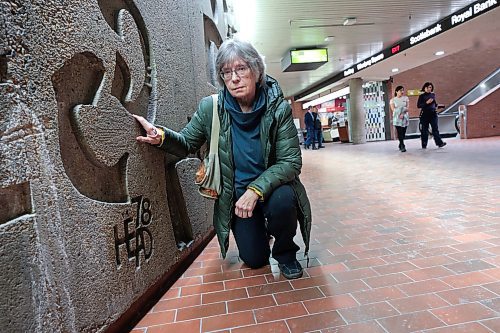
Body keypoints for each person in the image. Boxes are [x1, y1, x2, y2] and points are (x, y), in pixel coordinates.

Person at [133, 39, 312, 279]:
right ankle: (260, 230)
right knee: (255, 260)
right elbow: (187, 143)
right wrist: (160, 136)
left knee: (283, 201)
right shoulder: (212, 108)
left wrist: (255, 190)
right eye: (227, 72)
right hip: (237, 198)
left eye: (241, 69)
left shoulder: (278, 108)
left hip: (271, 190)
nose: (234, 78)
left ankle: (286, 253)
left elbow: (291, 162)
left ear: (256, 71)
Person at [417, 82, 446, 149]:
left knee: (435, 128)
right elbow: (419, 105)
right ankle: (424, 144)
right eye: (427, 87)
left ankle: (439, 143)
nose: (429, 89)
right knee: (424, 130)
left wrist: (439, 106)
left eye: (430, 87)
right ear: (424, 88)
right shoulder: (422, 96)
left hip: (433, 114)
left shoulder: (432, 95)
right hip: (424, 114)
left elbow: (434, 104)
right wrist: (426, 103)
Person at [390, 85, 409, 152]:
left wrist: (402, 113)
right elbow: (393, 109)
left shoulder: (406, 98)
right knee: (400, 132)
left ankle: (400, 143)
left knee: (403, 132)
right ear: (396, 91)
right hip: (397, 118)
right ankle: (402, 145)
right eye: (400, 90)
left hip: (404, 117)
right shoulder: (393, 100)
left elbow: (407, 108)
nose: (402, 91)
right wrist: (399, 113)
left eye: (403, 90)